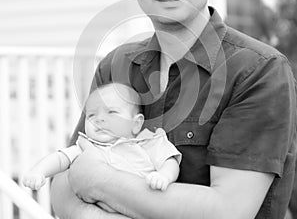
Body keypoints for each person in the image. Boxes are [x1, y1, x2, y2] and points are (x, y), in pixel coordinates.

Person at [51, 0, 297, 218]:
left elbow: (228, 211)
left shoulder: (258, 71)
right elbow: (63, 185)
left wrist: (96, 178)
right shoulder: (116, 66)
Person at [23, 83, 181, 196]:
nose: (100, 119)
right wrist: (39, 171)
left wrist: (164, 176)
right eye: (91, 115)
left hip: (142, 204)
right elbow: (60, 158)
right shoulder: (87, 146)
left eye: (111, 112)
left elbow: (169, 161)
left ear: (136, 123)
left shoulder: (148, 142)